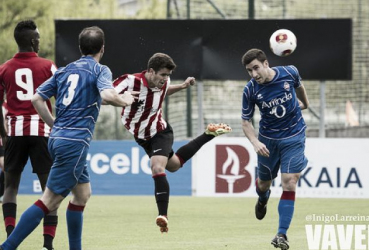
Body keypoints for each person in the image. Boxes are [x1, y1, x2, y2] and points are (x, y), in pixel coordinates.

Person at [0, 26, 135, 250]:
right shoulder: (100, 70)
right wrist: (125, 99)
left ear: (80, 48)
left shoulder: (64, 70)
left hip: (57, 138)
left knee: (82, 194)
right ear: (103, 48)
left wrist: (53, 124)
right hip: (75, 143)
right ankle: (7, 246)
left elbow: (36, 99)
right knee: (50, 200)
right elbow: (107, 94)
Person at [112, 52, 232, 233]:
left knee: (157, 167)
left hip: (160, 131)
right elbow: (106, 95)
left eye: (168, 75)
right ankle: (209, 134)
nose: (166, 79)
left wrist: (182, 86)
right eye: (163, 75)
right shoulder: (129, 82)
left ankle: (163, 216)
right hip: (142, 136)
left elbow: (163, 91)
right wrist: (122, 98)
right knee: (174, 165)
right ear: (151, 71)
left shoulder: (163, 82)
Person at [240, 49, 309, 250]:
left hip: (294, 136)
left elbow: (299, 86)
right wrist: (255, 142)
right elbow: (245, 122)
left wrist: (305, 103)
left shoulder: (290, 72)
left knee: (290, 182)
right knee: (263, 184)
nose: (253, 74)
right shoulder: (250, 90)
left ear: (266, 63)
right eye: (249, 70)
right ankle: (262, 198)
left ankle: (281, 234)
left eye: (256, 68)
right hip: (268, 141)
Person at [0, 20, 58, 250]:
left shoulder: (4, 68)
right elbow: (61, 98)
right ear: (33, 41)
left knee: (10, 187)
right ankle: (47, 245)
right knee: (49, 190)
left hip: (15, 133)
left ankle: (11, 237)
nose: (40, 42)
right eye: (39, 39)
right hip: (41, 132)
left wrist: (4, 136)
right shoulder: (48, 66)